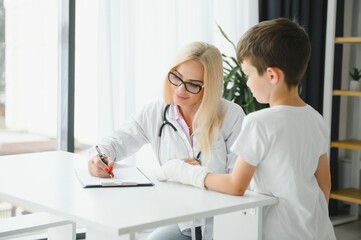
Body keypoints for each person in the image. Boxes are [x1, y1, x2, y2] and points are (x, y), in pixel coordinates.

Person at [157, 18, 336, 240]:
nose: (248, 83)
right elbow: (324, 185)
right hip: (317, 232)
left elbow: (236, 186)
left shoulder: (259, 122)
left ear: (271, 75)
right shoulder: (315, 118)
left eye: (250, 75)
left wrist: (182, 171)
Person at [87, 41, 246, 240]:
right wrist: (98, 157)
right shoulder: (155, 113)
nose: (180, 89)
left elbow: (239, 183)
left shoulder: (231, 116)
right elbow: (114, 142)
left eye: (193, 84)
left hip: (223, 228)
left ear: (209, 87)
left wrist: (188, 174)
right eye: (176, 77)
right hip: (184, 226)